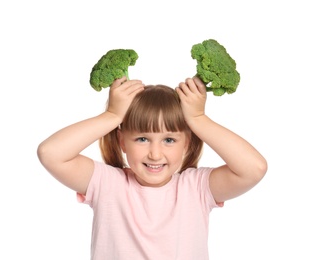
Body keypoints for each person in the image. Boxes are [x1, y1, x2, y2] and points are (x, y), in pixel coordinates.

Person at [37, 76, 267, 259]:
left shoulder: (196, 187)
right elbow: (51, 153)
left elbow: (254, 169)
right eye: (142, 139)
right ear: (121, 141)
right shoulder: (107, 183)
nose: (155, 154)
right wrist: (112, 115)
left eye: (169, 140)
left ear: (187, 141)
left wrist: (198, 119)